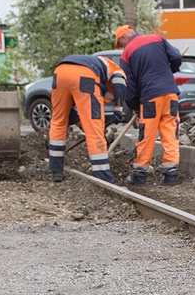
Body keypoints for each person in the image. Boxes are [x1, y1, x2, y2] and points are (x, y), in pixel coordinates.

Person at [113, 24, 182, 186]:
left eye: (120, 42)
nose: (121, 46)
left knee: (147, 135)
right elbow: (176, 57)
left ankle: (139, 174)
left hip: (150, 97)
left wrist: (134, 104)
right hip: (170, 93)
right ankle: (171, 173)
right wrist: (171, 68)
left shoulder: (127, 53)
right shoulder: (157, 38)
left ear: (124, 38)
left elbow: (130, 84)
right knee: (171, 132)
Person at [47, 54, 128, 183]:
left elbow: (71, 115)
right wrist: (118, 109)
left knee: (58, 122)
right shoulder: (115, 68)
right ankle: (102, 175)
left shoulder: (96, 64)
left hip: (60, 72)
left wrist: (81, 124)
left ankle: (56, 170)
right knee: (93, 127)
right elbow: (120, 85)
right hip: (85, 75)